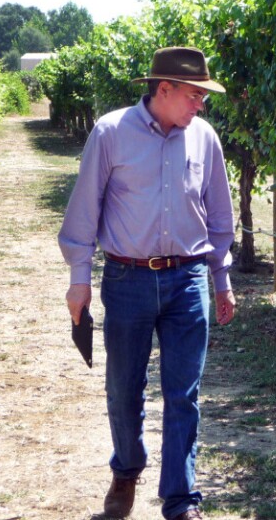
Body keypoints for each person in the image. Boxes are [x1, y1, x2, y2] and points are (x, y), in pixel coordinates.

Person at [58, 46, 236, 520]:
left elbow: (219, 218)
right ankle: (126, 469)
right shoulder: (111, 132)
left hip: (189, 280)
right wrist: (79, 281)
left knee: (184, 394)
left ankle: (181, 501)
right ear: (164, 89)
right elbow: (83, 212)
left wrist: (222, 280)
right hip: (127, 279)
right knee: (123, 389)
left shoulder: (205, 139)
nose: (200, 104)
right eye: (195, 95)